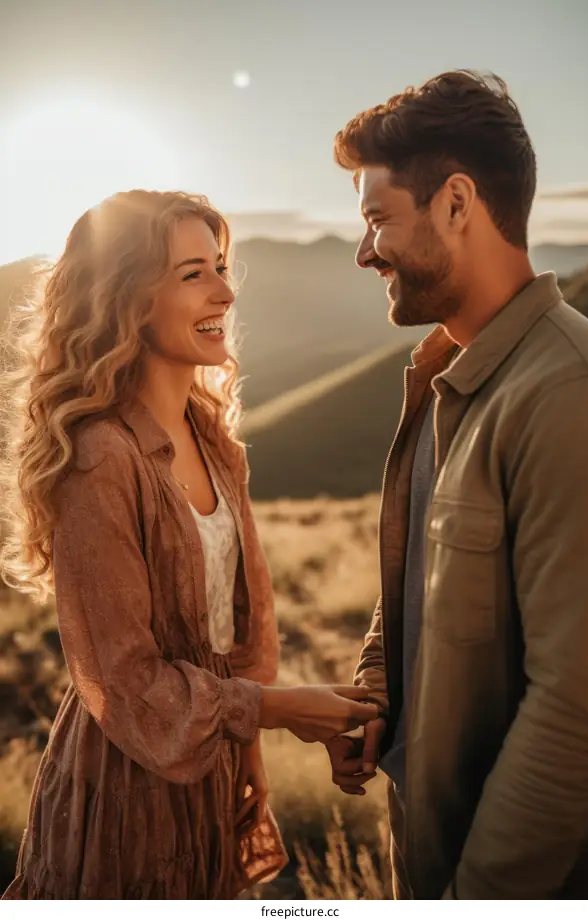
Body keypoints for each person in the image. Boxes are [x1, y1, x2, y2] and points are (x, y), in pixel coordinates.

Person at [0, 189, 378, 900]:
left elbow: (243, 627)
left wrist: (256, 750)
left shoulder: (216, 443)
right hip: (124, 788)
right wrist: (282, 710)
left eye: (221, 266)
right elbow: (124, 682)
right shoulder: (98, 456)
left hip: (213, 775)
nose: (226, 293)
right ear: (126, 299)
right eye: (193, 273)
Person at [325, 70, 588, 899]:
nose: (365, 249)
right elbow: (423, 570)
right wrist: (378, 689)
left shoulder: (569, 391)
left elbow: (576, 712)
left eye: (378, 219)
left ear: (455, 203)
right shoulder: (450, 373)